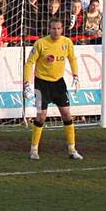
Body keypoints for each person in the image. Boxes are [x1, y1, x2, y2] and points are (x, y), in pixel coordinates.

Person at [23, 15, 83, 161]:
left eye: (58, 28)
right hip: (41, 84)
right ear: (48, 29)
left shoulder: (67, 42)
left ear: (62, 29)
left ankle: (72, 149)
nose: (56, 31)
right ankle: (34, 149)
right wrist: (26, 84)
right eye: (53, 28)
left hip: (58, 83)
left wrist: (76, 75)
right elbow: (30, 63)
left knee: (67, 114)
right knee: (40, 116)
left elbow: (72, 58)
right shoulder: (40, 44)